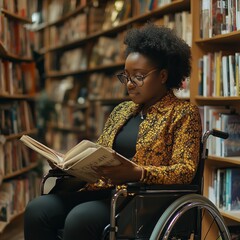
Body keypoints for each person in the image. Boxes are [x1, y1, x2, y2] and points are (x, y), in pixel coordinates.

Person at [24, 23, 202, 240]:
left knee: (80, 218)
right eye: (126, 76)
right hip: (103, 191)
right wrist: (70, 166)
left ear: (163, 76)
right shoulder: (122, 110)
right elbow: (99, 153)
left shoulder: (183, 113)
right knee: (38, 209)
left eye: (138, 76)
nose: (129, 84)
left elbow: (185, 171)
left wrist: (139, 173)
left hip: (143, 200)